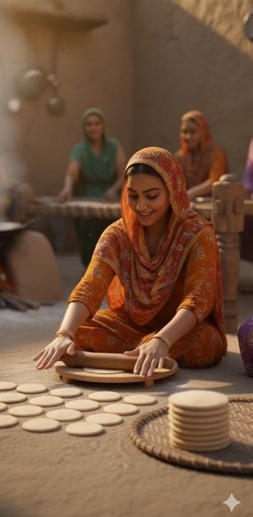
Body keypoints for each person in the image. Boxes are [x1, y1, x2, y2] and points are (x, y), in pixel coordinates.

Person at [34, 146, 227, 376]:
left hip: (181, 331)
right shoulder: (117, 234)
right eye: (133, 196)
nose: (141, 206)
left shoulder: (197, 232)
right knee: (77, 330)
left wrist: (163, 340)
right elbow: (90, 285)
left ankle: (147, 350)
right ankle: (143, 352)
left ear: (172, 191)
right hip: (131, 326)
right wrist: (64, 334)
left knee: (206, 343)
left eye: (152, 196)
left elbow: (198, 299)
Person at [58, 107, 126, 267]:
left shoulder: (113, 146)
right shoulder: (80, 150)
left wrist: (113, 190)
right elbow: (72, 172)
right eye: (89, 124)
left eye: (97, 123)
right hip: (89, 194)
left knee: (115, 230)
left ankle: (113, 271)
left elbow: (124, 174)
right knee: (88, 226)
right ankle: (90, 269)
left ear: (103, 126)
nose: (93, 128)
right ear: (84, 127)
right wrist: (67, 188)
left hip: (110, 195)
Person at [175, 110, 228, 201]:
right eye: (184, 132)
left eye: (193, 132)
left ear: (203, 132)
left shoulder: (216, 153)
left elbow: (214, 181)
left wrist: (190, 194)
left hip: (213, 206)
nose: (188, 137)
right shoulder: (179, 157)